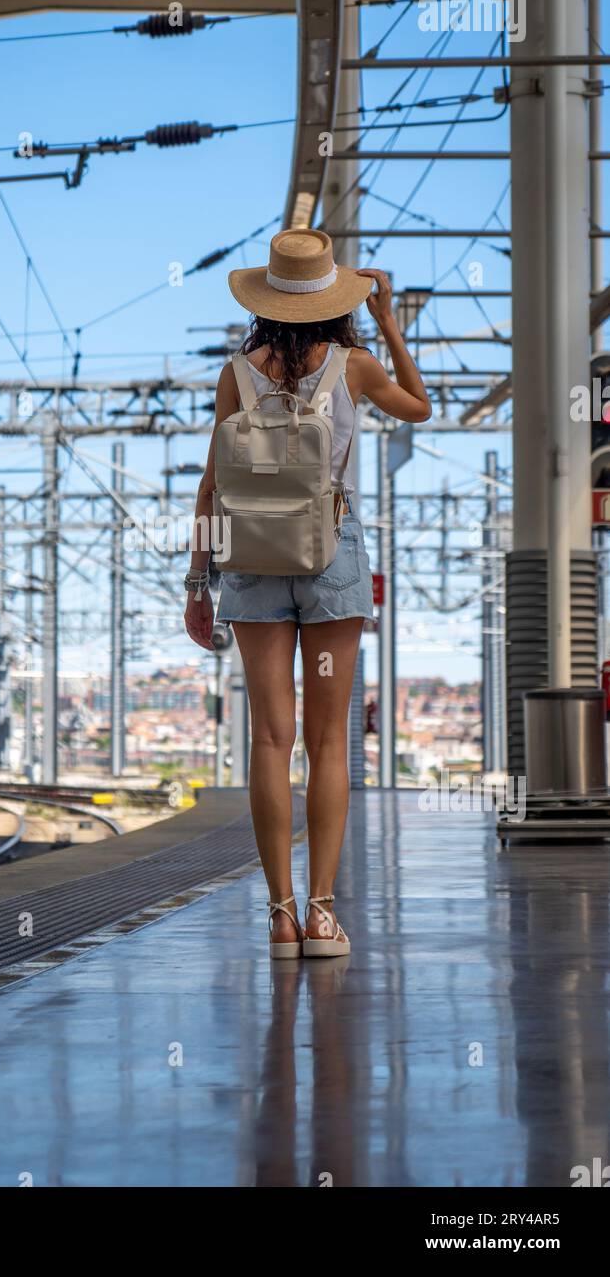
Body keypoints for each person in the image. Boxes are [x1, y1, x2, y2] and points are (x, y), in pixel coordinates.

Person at [184, 228, 431, 958]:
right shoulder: (355, 367)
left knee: (269, 739)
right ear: (333, 298)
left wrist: (199, 580)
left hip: (252, 558)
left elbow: (210, 484)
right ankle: (324, 916)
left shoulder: (238, 372)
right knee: (328, 742)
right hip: (331, 555)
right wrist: (389, 319)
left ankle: (281, 915)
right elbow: (418, 406)